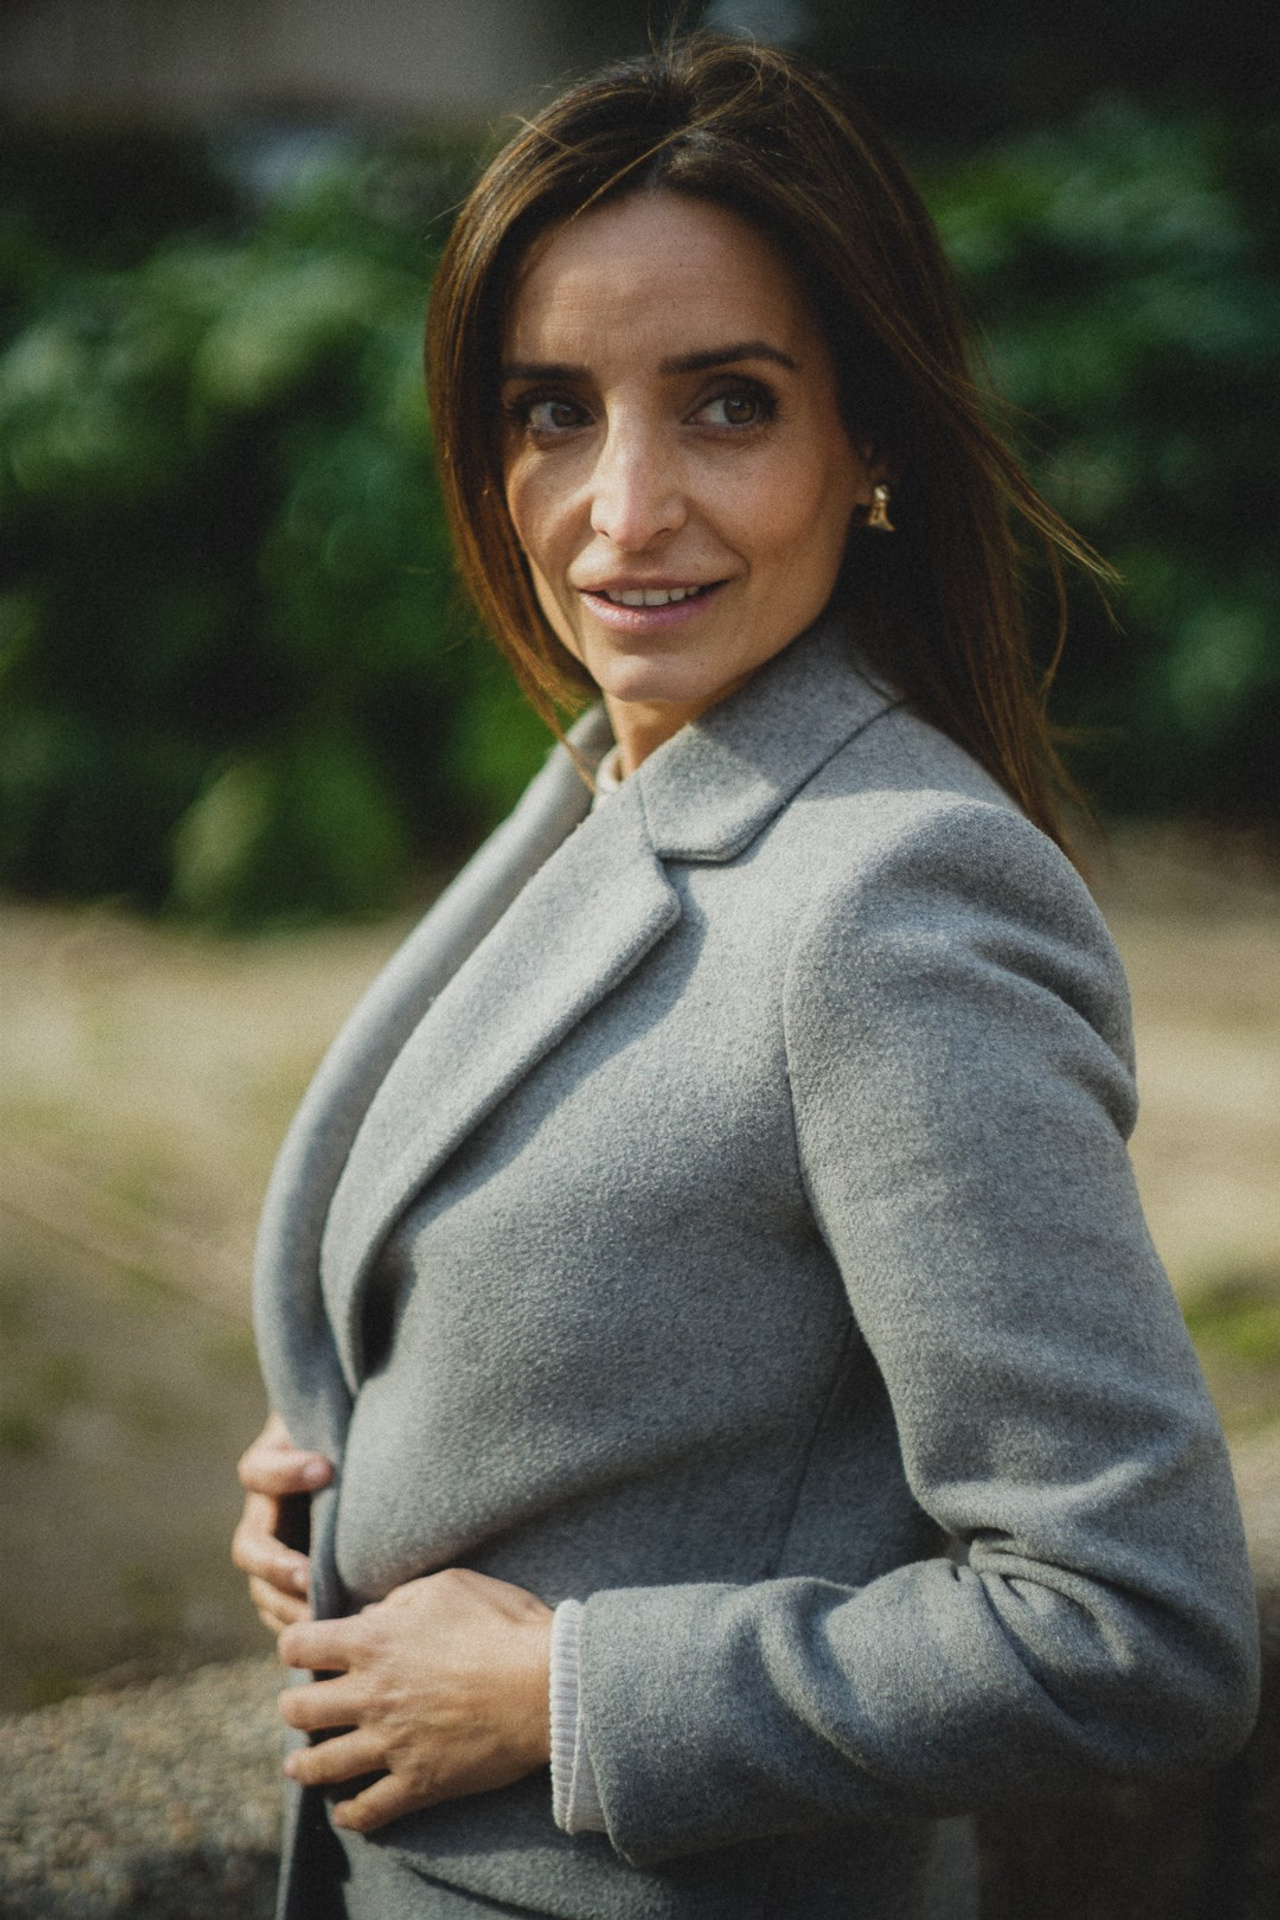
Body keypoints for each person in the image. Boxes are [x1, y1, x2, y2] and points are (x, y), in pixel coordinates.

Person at [232, 33, 1259, 1920]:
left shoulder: (894, 899)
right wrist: (359, 1498)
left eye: (723, 406)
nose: (621, 512)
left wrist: (557, 1693)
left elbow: (1137, 1624)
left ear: (868, 437)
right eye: (552, 409)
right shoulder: (621, 784)